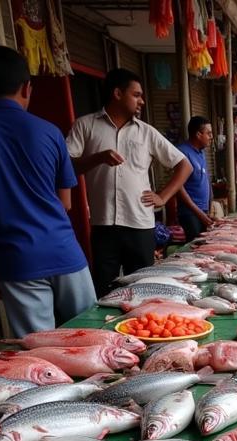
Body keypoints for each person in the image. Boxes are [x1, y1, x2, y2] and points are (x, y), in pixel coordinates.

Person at [0, 46, 94, 338]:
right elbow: (65, 203)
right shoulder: (50, 131)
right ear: (27, 87)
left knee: (39, 354)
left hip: (15, 258)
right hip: (64, 251)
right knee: (91, 339)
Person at [66, 67, 190, 297]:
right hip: (104, 225)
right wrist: (98, 158)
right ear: (117, 93)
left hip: (140, 225)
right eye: (136, 95)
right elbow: (67, 167)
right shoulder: (85, 126)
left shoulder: (146, 132)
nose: (141, 101)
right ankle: (106, 333)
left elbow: (184, 165)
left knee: (143, 290)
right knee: (104, 290)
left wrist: (163, 196)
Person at [176, 116, 214, 242]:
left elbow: (205, 179)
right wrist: (199, 213)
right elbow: (179, 187)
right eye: (208, 133)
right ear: (198, 134)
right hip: (190, 213)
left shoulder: (201, 152)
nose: (211, 137)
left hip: (203, 210)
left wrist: (210, 204)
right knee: (196, 249)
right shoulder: (182, 152)